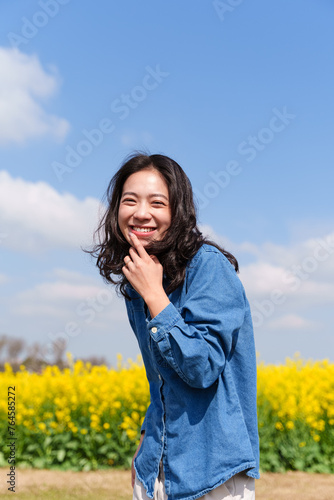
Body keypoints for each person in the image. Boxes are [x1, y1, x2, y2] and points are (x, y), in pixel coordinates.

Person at [89, 153, 260, 500]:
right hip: (155, 470)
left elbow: (203, 368)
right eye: (129, 201)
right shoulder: (142, 276)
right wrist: (146, 444)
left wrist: (154, 296)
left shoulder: (208, 269)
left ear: (177, 211)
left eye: (157, 203)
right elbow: (163, 380)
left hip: (213, 472)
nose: (140, 213)